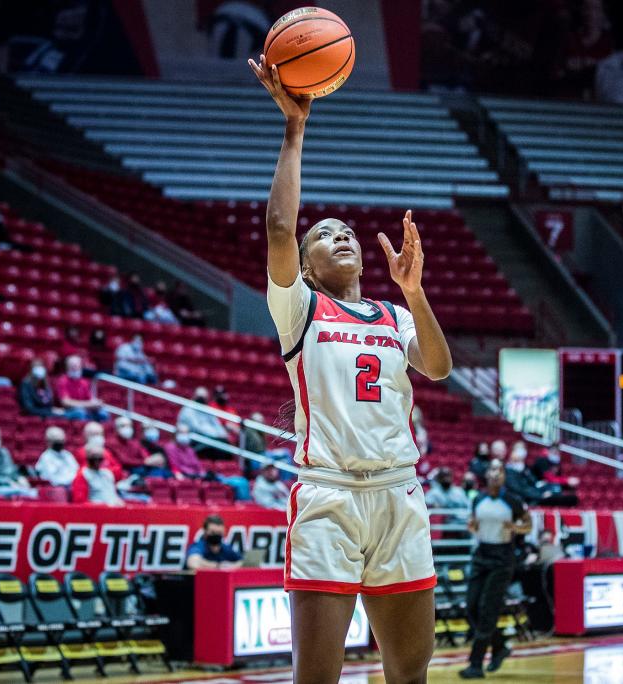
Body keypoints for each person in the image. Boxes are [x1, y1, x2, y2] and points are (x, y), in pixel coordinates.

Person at [250, 50, 452, 684]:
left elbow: (440, 369)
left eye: (348, 231)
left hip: (399, 492)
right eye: (325, 234)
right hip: (329, 496)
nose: (341, 235)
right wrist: (295, 126)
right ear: (306, 266)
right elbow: (280, 225)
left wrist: (415, 294)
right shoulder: (299, 307)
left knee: (409, 675)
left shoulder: (394, 318)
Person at [461, 462, 530, 678]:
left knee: (488, 609)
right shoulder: (478, 499)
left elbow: (528, 524)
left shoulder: (512, 501)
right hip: (481, 555)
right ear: (486, 475)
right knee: (471, 607)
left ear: (503, 476)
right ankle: (500, 646)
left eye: (499, 471)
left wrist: (516, 528)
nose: (495, 474)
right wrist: (472, 526)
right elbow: (473, 523)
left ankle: (476, 664)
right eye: (492, 470)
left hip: (502, 559)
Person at [164, 424, 251, 500]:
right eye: (182, 433)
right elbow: (175, 466)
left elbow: (197, 466)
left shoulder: (189, 449)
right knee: (238, 483)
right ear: (175, 435)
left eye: (186, 433)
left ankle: (244, 504)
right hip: (191, 476)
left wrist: (201, 473)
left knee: (241, 481)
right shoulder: (170, 447)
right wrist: (188, 474)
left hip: (200, 476)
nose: (185, 436)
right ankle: (243, 503)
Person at [177, 386, 230, 456]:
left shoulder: (207, 408)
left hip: (211, 438)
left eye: (204, 397)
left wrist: (223, 434)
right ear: (195, 396)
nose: (202, 399)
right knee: (218, 444)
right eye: (200, 397)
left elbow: (216, 424)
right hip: (196, 438)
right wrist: (215, 434)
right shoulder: (188, 409)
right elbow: (196, 427)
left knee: (224, 442)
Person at [55, 355, 109, 421]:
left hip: (85, 409)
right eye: (72, 366)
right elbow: (66, 403)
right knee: (80, 412)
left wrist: (96, 403)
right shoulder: (62, 381)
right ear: (67, 367)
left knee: (103, 412)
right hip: (68, 411)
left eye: (77, 366)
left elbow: (90, 399)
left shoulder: (84, 382)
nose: (75, 368)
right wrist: (87, 405)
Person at [70, 442, 125, 506]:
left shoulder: (108, 474)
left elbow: (113, 496)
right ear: (87, 456)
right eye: (94, 457)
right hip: (96, 512)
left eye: (100, 457)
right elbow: (80, 503)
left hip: (114, 510)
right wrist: (104, 506)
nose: (97, 460)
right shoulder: (82, 475)